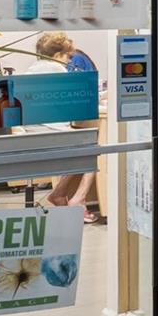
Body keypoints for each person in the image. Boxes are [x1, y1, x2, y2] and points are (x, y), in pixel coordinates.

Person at [32, 33, 103, 224]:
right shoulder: (60, 73)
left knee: (82, 144)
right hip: (55, 138)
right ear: (58, 55)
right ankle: (79, 199)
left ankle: (59, 193)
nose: (70, 61)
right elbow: (84, 103)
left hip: (31, 139)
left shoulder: (30, 72)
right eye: (68, 56)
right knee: (95, 149)